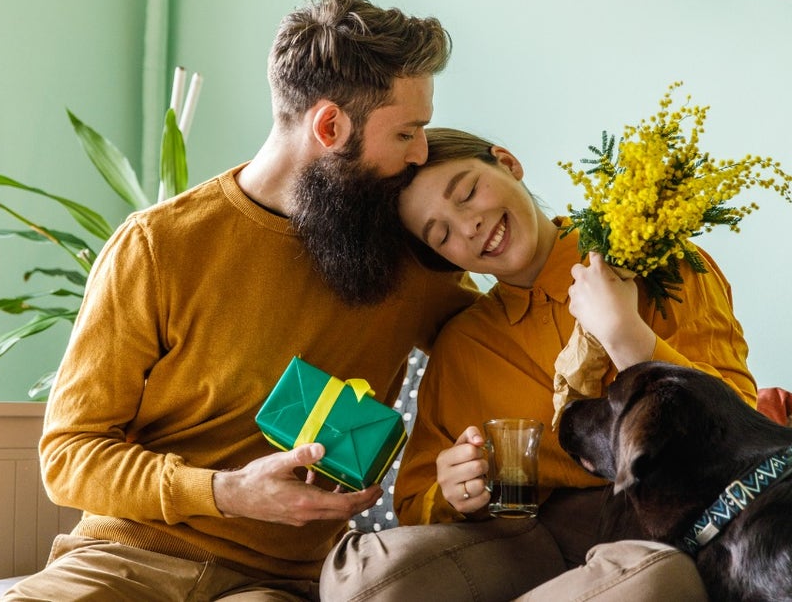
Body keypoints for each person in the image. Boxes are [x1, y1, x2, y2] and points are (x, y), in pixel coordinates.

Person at [1, 0, 479, 602]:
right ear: (330, 127)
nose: (420, 153)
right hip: (129, 554)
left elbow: (500, 340)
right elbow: (69, 456)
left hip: (281, 580)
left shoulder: (408, 257)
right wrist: (229, 492)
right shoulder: (158, 246)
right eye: (407, 132)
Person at [320, 128, 757, 601]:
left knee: (649, 581)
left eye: (466, 193)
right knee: (360, 577)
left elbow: (742, 434)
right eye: (441, 234)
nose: (468, 227)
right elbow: (415, 502)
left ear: (507, 163)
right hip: (533, 544)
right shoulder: (463, 347)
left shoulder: (657, 265)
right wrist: (450, 491)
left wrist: (627, 337)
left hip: (670, 534)